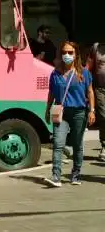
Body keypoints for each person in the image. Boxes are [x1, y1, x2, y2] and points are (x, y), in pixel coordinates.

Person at [44, 41, 95, 187]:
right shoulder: (55, 73)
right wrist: (47, 109)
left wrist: (91, 111)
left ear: (76, 54)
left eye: (70, 52)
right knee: (58, 144)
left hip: (79, 112)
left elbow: (90, 91)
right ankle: (56, 176)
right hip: (61, 113)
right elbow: (52, 93)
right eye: (64, 52)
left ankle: (76, 174)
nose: (67, 55)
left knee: (77, 144)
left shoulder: (83, 73)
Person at [86, 42, 105, 160]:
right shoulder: (97, 47)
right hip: (100, 89)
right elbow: (88, 66)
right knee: (104, 116)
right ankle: (104, 145)